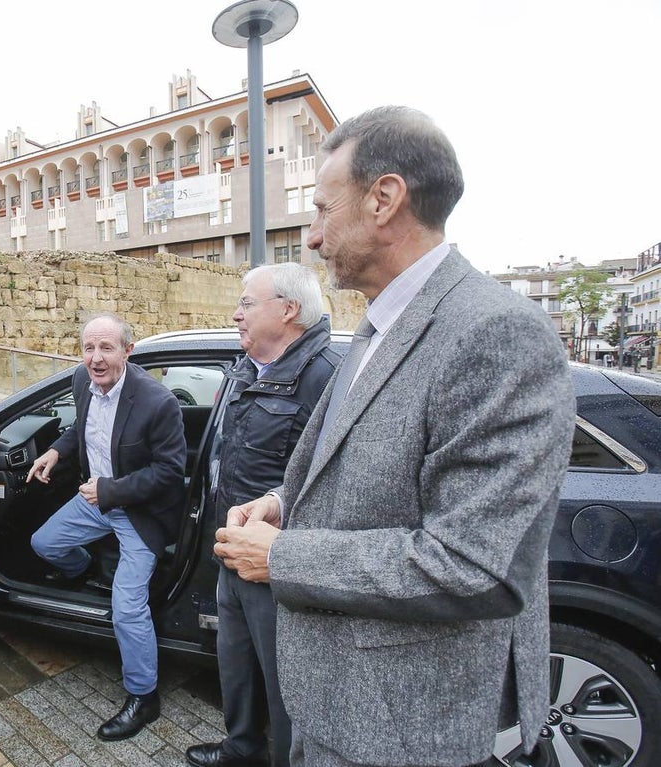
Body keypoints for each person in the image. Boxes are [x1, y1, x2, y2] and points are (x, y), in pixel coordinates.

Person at [214, 106, 574, 767]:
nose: (314, 239)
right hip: (333, 710)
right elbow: (368, 474)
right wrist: (283, 502)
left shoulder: (496, 334)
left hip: (399, 729)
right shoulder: (381, 325)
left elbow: (473, 565)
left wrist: (282, 555)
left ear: (384, 198)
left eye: (322, 210)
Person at [186, 264, 339, 767]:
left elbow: (332, 482)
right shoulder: (247, 367)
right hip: (233, 549)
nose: (236, 314)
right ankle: (241, 749)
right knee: (235, 664)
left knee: (285, 684)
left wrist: (276, 525)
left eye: (247, 303)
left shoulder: (327, 378)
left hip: (279, 565)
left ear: (288, 309)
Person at [27, 312, 186, 741]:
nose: (95, 359)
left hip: (138, 512)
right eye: (88, 348)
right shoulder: (82, 381)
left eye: (106, 348)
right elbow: (84, 427)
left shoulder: (158, 402)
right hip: (94, 500)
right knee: (44, 544)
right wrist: (57, 453)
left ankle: (143, 696)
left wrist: (111, 491)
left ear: (128, 351)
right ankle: (86, 571)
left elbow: (170, 472)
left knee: (127, 608)